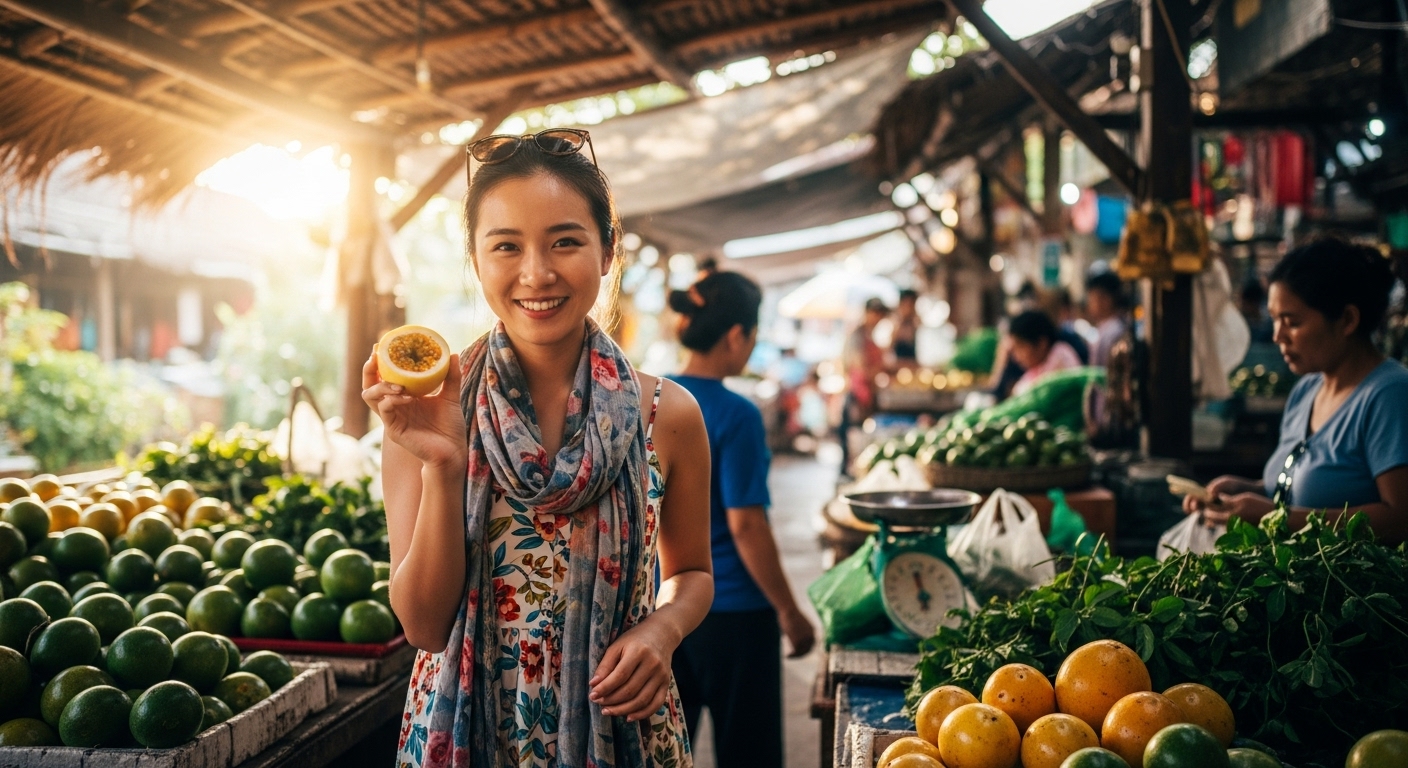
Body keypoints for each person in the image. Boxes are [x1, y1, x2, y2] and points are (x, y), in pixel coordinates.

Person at [367, 129, 712, 768]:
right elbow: (422, 627)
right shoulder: (426, 415)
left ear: (608, 251)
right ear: (475, 259)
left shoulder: (668, 415)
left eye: (565, 241)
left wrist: (662, 630)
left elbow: (692, 573)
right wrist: (444, 464)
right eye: (506, 246)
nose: (537, 272)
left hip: (624, 729)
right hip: (467, 732)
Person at [666, 271, 817, 768]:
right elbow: (747, 526)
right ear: (737, 335)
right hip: (734, 612)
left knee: (666, 749)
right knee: (747, 753)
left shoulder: (652, 400)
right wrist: (790, 613)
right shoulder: (737, 414)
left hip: (664, 612)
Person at [1182, 239, 1408, 542]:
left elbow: (1400, 516)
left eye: (1292, 322)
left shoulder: (1389, 395)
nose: (1278, 336)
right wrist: (1247, 491)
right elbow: (1298, 492)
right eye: (1275, 320)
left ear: (1347, 320)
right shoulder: (1306, 391)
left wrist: (1276, 518)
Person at [839, 297, 891, 473]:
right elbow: (860, 369)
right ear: (868, 313)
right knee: (854, 442)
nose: (879, 318)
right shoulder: (857, 337)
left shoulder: (869, 336)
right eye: (877, 313)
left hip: (866, 396)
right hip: (857, 395)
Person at [1006, 310, 1083, 398]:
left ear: (1042, 343)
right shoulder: (1039, 365)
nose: (1017, 357)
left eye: (1020, 347)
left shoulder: (1060, 357)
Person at [1085, 270, 1130, 367]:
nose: (1089, 303)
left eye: (1092, 297)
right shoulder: (1110, 327)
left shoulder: (1112, 332)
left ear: (1105, 299)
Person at [891, 289, 920, 364]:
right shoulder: (892, 323)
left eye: (912, 304)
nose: (909, 308)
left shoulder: (917, 324)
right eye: (907, 304)